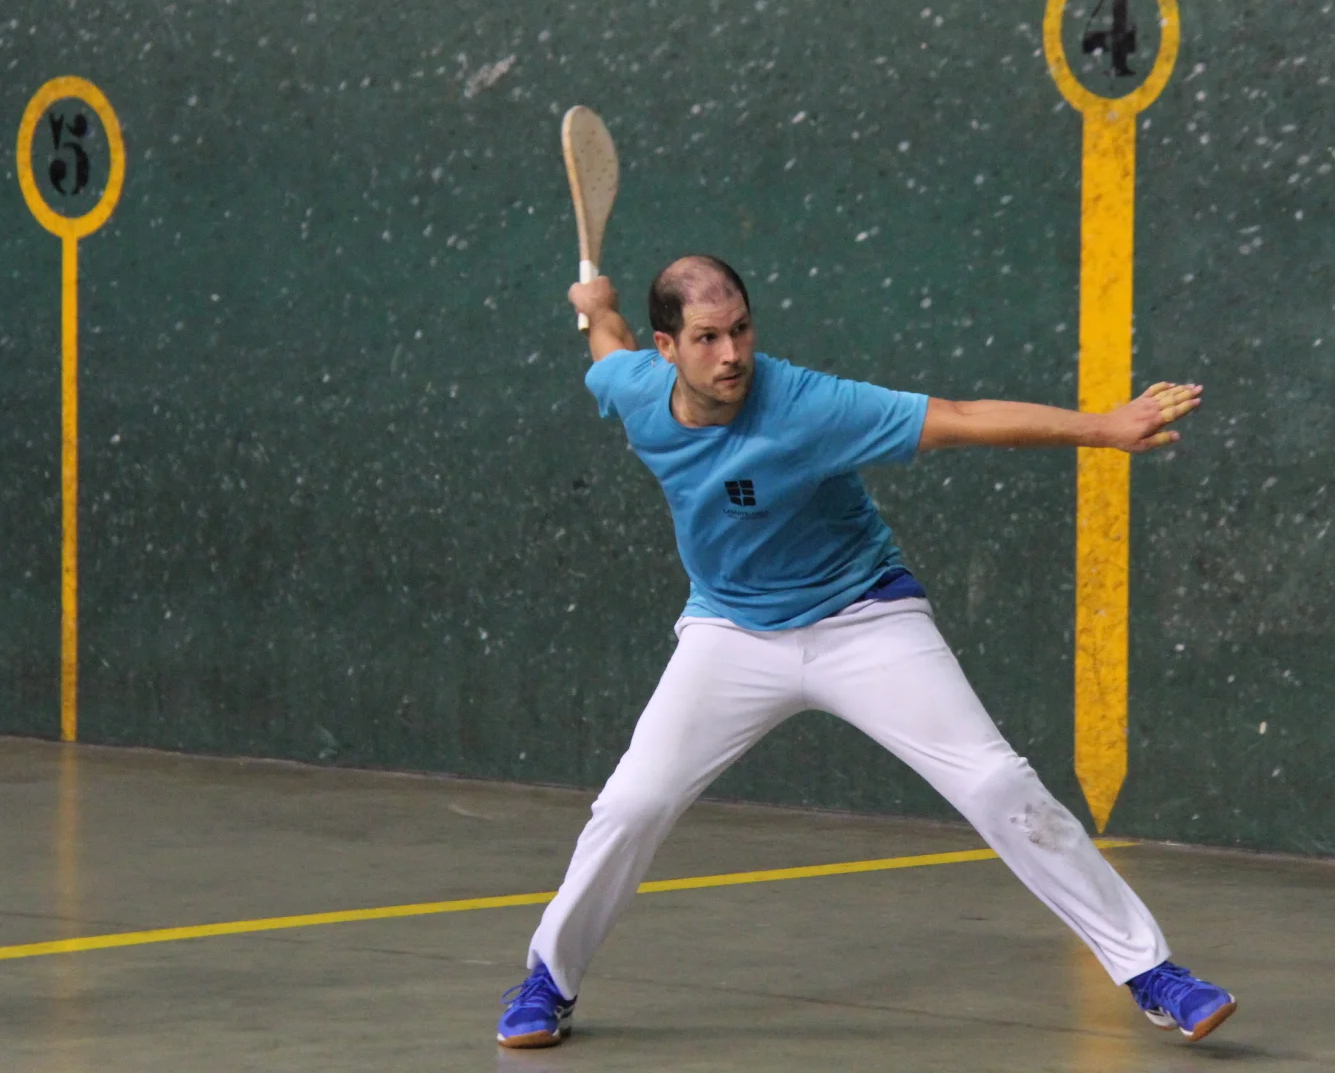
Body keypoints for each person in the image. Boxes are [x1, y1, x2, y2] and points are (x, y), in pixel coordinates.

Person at [497, 255, 1233, 1049]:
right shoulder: (636, 390)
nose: (733, 354)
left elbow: (960, 416)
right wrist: (597, 304)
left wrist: (1104, 429)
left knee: (998, 783)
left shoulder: (806, 404)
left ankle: (1153, 972)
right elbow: (608, 347)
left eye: (741, 329)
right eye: (707, 338)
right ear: (667, 348)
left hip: (863, 616)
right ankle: (549, 981)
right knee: (631, 805)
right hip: (731, 631)